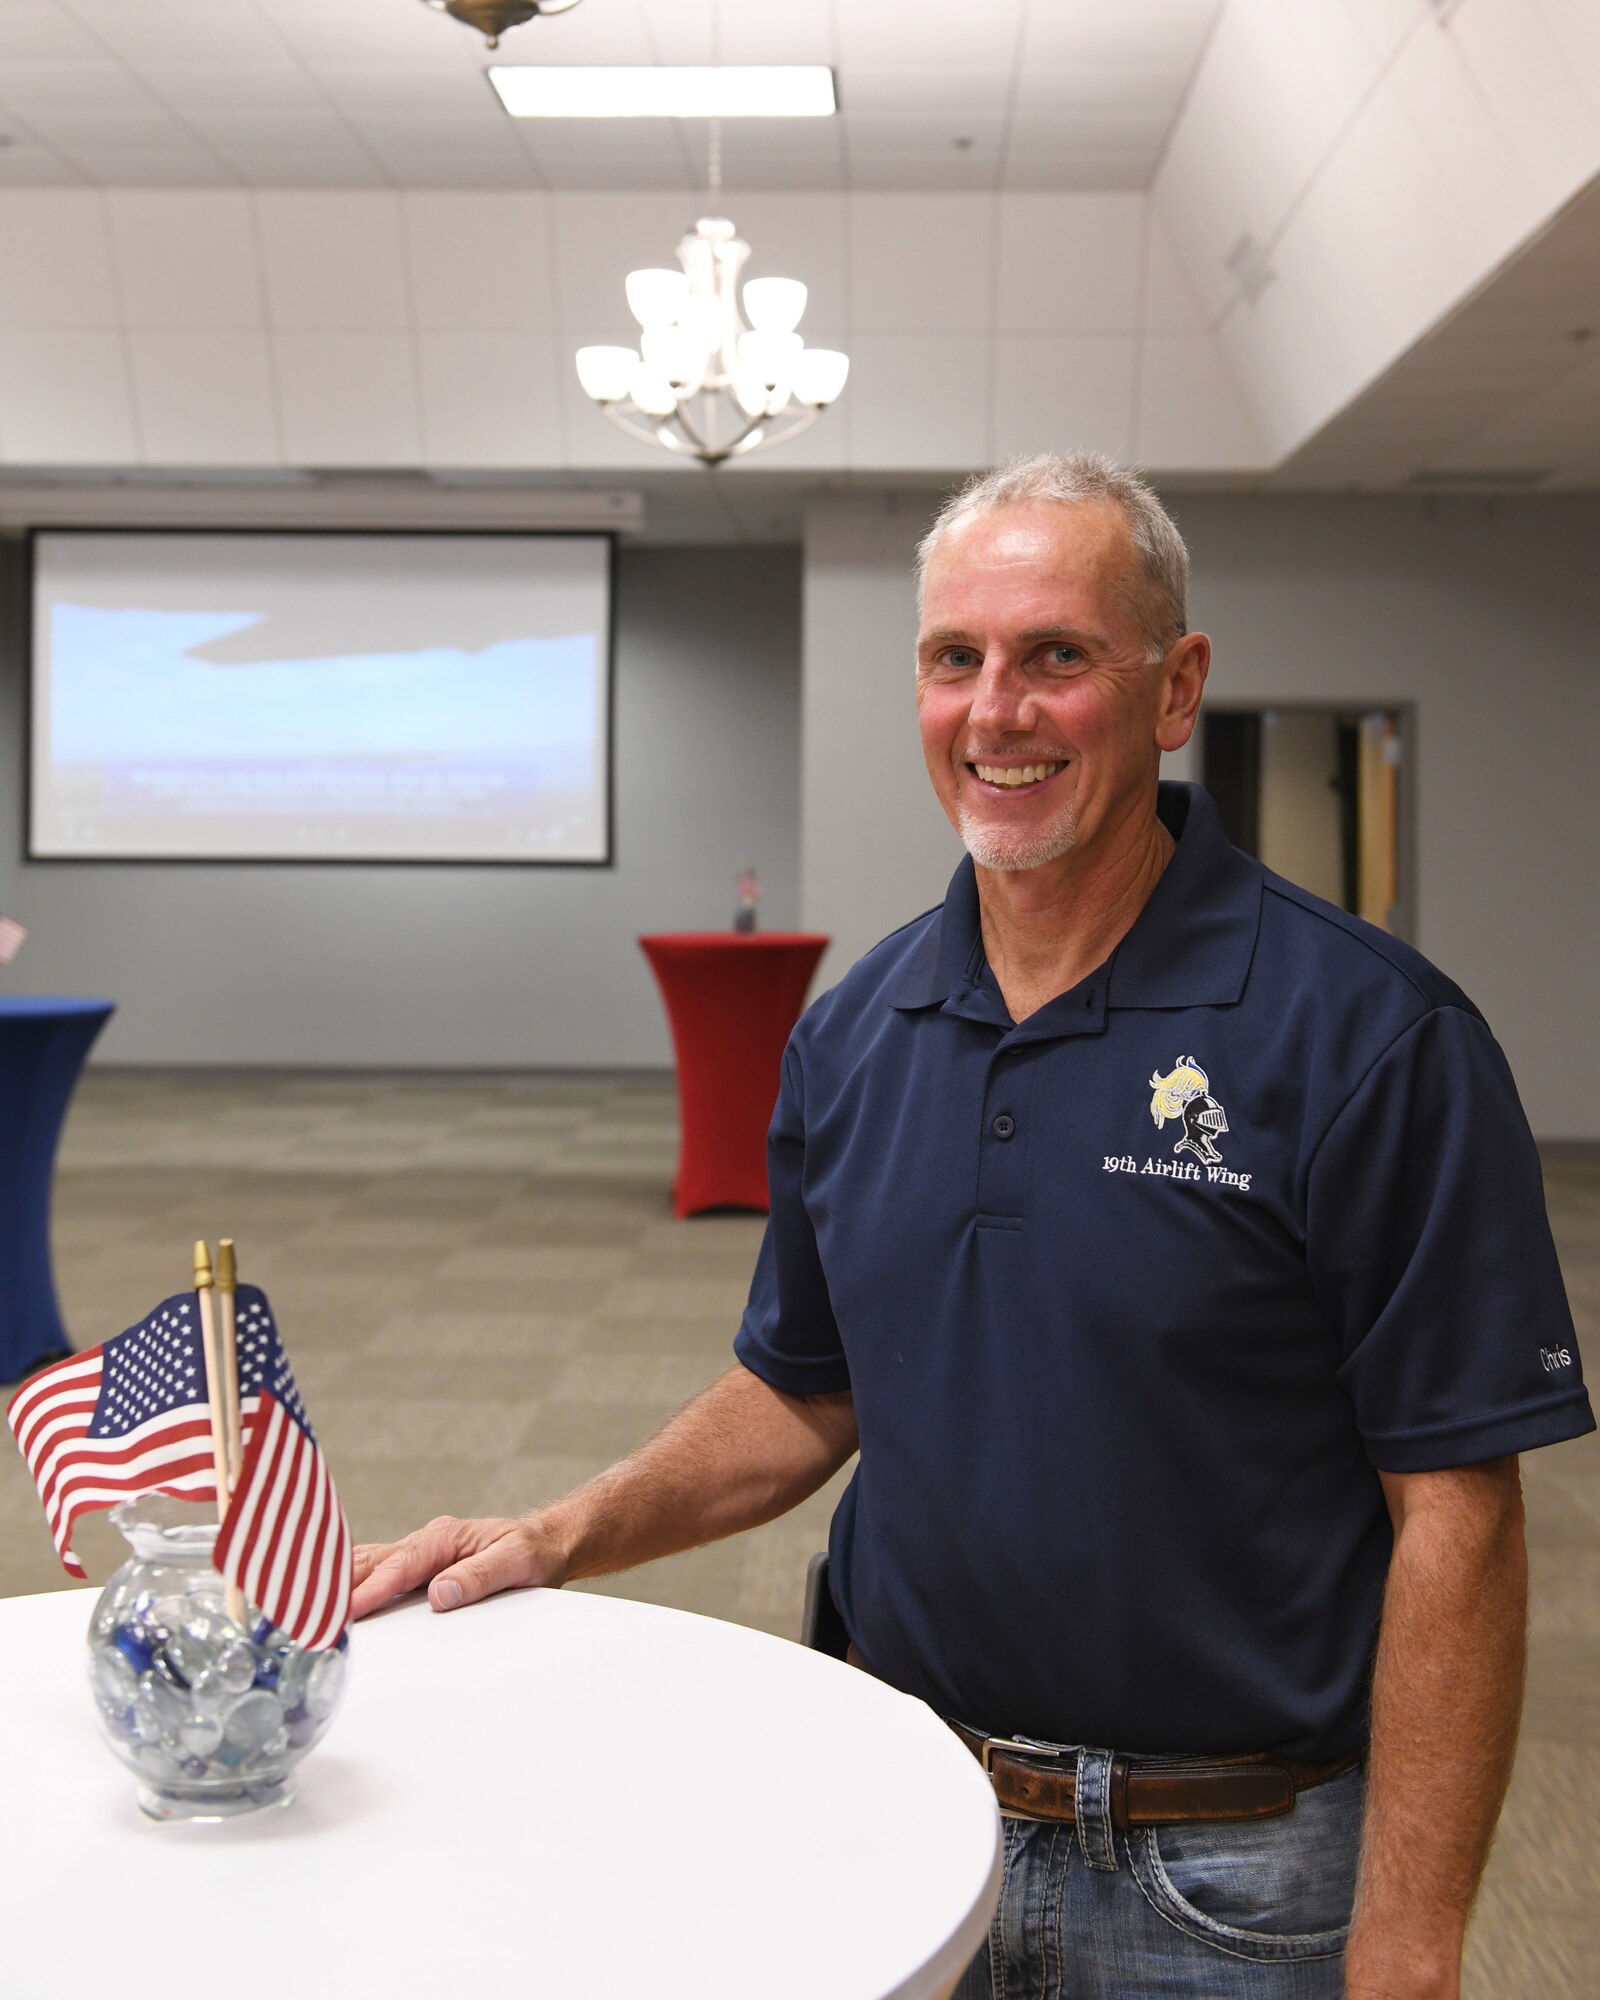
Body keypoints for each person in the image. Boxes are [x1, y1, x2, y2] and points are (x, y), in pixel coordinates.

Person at [353, 453, 1592, 2000]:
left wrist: (1409, 1944)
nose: (996, 712)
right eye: (957, 659)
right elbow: (808, 1386)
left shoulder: (1372, 1040)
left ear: (1173, 686)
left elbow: (1459, 1521)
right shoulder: (861, 1026)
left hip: (1238, 1877)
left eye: (1058, 657)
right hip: (901, 1808)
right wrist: (558, 1533)